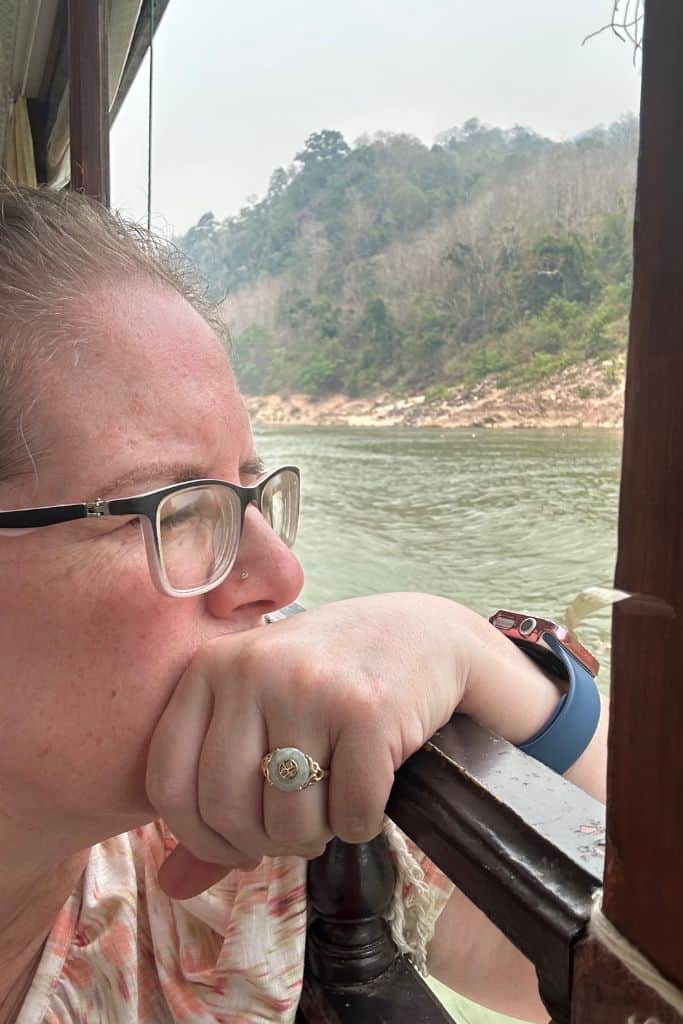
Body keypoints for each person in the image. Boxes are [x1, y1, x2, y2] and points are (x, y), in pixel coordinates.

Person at [0, 185, 608, 1024]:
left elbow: (627, 965)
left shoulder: (250, 830)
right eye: (175, 509)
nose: (282, 575)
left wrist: (466, 649)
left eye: (251, 495)